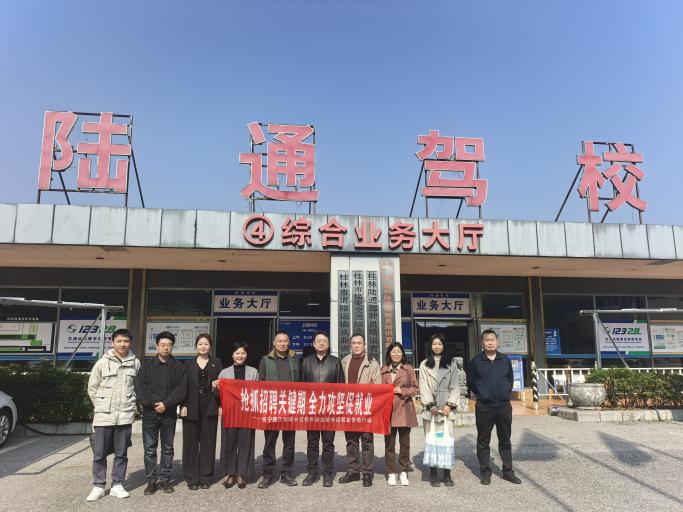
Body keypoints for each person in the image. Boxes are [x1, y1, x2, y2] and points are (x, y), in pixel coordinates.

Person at [86, 328, 141, 502]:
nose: (123, 344)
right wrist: (101, 406)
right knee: (99, 453)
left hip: (124, 415)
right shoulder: (102, 363)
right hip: (104, 415)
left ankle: (117, 484)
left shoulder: (135, 363)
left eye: (126, 341)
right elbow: (92, 388)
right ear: (113, 343)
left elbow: (138, 388)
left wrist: (132, 408)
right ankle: (98, 486)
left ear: (130, 343)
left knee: (121, 452)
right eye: (119, 341)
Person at [135, 331, 187, 495]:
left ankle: (164, 480)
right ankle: (151, 481)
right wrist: (154, 403)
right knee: (150, 448)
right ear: (157, 346)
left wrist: (166, 404)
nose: (166, 348)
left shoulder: (178, 367)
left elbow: (181, 389)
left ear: (172, 347)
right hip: (150, 413)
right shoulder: (146, 367)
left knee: (167, 448)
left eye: (169, 345)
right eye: (162, 345)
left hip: (169, 413)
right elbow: (140, 388)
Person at [468, 329, 521, 485]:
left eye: (492, 340)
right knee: (483, 440)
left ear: (497, 342)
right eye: (487, 340)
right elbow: (471, 382)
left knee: (505, 440)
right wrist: (482, 394)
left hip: (503, 406)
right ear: (482, 343)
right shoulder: (476, 361)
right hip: (484, 406)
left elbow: (510, 380)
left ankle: (508, 472)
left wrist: (505, 394)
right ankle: (485, 473)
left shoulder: (505, 360)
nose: (490, 342)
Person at [301, 330, 344, 487]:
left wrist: (338, 408)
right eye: (318, 340)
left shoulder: (335, 362)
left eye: (324, 341)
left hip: (329, 409)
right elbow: (301, 387)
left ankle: (327, 473)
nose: (321, 343)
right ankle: (312, 472)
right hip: (311, 409)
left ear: (328, 344)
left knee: (328, 443)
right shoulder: (306, 362)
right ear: (313, 344)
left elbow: (341, 387)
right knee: (312, 442)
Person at [257, 330, 300, 488]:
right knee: (270, 442)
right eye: (280, 341)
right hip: (272, 407)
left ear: (289, 343)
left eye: (285, 341)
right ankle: (267, 475)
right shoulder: (265, 360)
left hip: (290, 407)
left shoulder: (294, 359)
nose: (283, 343)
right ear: (274, 343)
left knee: (289, 443)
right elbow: (260, 384)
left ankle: (286, 474)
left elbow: (300, 381)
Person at [180, 333, 223, 490]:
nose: (203, 346)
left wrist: (220, 404)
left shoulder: (217, 363)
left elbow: (222, 386)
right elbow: (183, 386)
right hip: (191, 405)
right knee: (190, 443)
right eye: (200, 344)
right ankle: (191, 478)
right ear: (196, 346)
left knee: (208, 442)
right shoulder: (188, 364)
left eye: (206, 344)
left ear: (210, 346)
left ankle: (206, 476)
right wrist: (183, 405)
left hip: (210, 404)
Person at [339, 333, 381, 487]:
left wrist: (372, 407)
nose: (356, 345)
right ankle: (353, 471)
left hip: (365, 407)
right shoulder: (344, 361)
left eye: (359, 343)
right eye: (354, 343)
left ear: (364, 345)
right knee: (351, 441)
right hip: (349, 407)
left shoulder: (372, 363)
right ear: (350, 345)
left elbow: (378, 387)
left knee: (367, 440)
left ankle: (367, 472)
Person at [418, 333, 460, 487]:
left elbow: (455, 386)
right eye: (434, 343)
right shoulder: (424, 364)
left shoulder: (451, 364)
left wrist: (449, 405)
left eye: (439, 344)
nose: (437, 346)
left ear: (444, 346)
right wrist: (431, 405)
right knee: (432, 441)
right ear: (430, 346)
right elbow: (423, 386)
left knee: (447, 441)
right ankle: (433, 473)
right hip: (431, 409)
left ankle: (447, 474)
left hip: (447, 408)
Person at [218, 341, 258, 490]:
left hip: (247, 413)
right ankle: (230, 474)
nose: (240, 356)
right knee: (229, 443)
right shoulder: (224, 372)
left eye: (243, 353)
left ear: (246, 355)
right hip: (230, 413)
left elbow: (258, 392)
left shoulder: (253, 372)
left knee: (245, 443)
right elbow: (219, 394)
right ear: (232, 355)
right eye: (237, 353)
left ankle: (242, 474)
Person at [380, 342, 418, 487]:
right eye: (393, 351)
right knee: (389, 444)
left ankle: (403, 471)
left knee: (405, 444)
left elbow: (415, 389)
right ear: (389, 354)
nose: (396, 354)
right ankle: (390, 472)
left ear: (402, 354)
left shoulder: (408, 369)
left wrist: (402, 391)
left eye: (399, 351)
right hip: (388, 411)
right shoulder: (383, 370)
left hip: (404, 410)